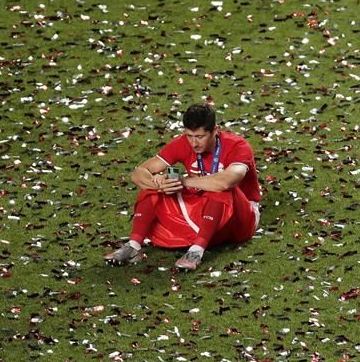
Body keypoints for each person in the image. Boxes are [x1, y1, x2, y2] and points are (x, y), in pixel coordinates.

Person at [105, 103, 261, 270]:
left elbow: (226, 182)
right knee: (153, 186)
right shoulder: (183, 143)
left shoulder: (238, 146)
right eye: (189, 136)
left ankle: (196, 251)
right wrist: (159, 184)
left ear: (215, 130)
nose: (194, 143)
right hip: (207, 211)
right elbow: (138, 173)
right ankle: (133, 246)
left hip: (241, 218)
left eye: (200, 136)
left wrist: (184, 181)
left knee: (220, 188)